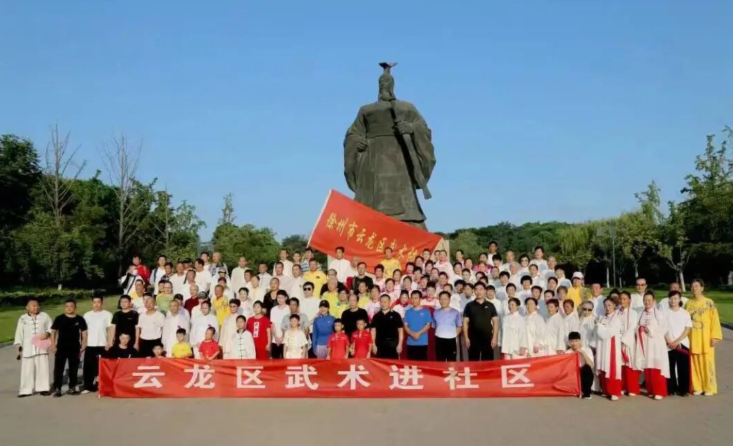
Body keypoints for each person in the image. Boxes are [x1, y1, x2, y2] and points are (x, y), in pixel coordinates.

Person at [685, 279, 722, 396]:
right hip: (693, 338)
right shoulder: (688, 304)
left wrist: (715, 336)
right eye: (692, 286)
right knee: (694, 363)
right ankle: (698, 387)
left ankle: (709, 387)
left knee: (707, 363)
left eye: (697, 286)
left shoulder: (709, 303)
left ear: (702, 288)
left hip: (706, 339)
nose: (694, 288)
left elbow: (714, 321)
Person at [14, 297, 53, 397]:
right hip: (27, 348)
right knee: (27, 370)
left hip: (41, 347)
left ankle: (43, 388)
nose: (36, 307)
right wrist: (18, 347)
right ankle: (25, 390)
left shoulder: (45, 316)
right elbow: (19, 334)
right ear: (27, 307)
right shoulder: (22, 318)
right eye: (33, 305)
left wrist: (47, 334)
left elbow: (51, 327)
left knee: (43, 368)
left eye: (37, 305)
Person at [635, 292, 670, 400]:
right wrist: (639, 329)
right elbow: (636, 326)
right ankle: (651, 390)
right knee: (648, 366)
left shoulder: (659, 313)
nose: (647, 302)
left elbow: (664, 328)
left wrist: (650, 329)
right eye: (645, 300)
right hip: (645, 343)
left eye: (649, 300)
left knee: (657, 366)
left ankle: (659, 391)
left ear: (654, 301)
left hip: (656, 344)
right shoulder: (640, 313)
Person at [51, 299, 88, 397]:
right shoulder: (59, 318)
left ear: (75, 307)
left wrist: (84, 344)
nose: (69, 308)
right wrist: (53, 345)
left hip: (75, 347)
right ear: (64, 307)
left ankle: (72, 387)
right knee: (59, 368)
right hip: (61, 347)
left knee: (74, 368)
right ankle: (58, 388)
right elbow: (53, 332)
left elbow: (84, 333)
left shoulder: (80, 319)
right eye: (67, 306)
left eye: (71, 306)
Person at [663, 290, 692, 396]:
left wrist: (677, 341)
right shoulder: (665, 313)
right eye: (671, 298)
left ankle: (683, 390)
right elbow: (663, 329)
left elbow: (687, 329)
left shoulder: (685, 313)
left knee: (683, 368)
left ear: (680, 299)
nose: (673, 301)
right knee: (669, 367)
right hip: (668, 344)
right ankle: (671, 388)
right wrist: (669, 341)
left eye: (675, 298)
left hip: (682, 344)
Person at [82, 295, 112, 393]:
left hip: (103, 344)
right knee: (88, 366)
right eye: (94, 302)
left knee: (103, 366)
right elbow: (84, 331)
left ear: (102, 303)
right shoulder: (87, 315)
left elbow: (111, 329)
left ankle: (102, 385)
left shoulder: (107, 314)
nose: (96, 304)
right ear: (92, 303)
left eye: (98, 302)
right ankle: (88, 386)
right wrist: (83, 343)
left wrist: (109, 342)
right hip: (90, 344)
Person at [462, 282, 499, 361]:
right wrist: (466, 337)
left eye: (481, 289)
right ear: (474, 291)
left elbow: (495, 322)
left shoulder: (490, 305)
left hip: (487, 338)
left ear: (485, 291)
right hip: (473, 338)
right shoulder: (469, 305)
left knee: (488, 362)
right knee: (473, 362)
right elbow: (465, 322)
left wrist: (495, 337)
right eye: (476, 290)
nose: (479, 292)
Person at [596, 298, 623, 401]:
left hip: (611, 346)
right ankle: (606, 390)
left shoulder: (616, 318)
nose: (607, 308)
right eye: (605, 306)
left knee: (611, 368)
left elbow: (608, 333)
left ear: (614, 306)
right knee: (603, 366)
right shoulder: (602, 317)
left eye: (609, 305)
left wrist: (599, 326)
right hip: (602, 345)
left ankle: (615, 391)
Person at [618, 291, 641, 397]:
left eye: (624, 299)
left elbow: (632, 327)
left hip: (628, 343)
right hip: (617, 342)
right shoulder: (617, 311)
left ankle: (632, 388)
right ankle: (621, 387)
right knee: (620, 366)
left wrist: (623, 340)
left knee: (629, 366)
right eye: (621, 299)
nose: (622, 301)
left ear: (629, 300)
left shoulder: (633, 313)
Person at [371, 294, 405, 359]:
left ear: (390, 302)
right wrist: (374, 344)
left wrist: (400, 344)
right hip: (379, 344)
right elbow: (373, 331)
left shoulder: (396, 315)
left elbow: (400, 330)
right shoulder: (376, 316)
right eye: (381, 302)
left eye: (385, 302)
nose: (383, 304)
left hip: (393, 344)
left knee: (393, 366)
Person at [433, 291, 462, 361]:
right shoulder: (435, 312)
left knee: (451, 361)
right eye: (441, 299)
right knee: (439, 361)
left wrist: (452, 335)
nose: (443, 301)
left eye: (445, 299)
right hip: (439, 340)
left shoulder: (455, 312)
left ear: (449, 300)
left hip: (451, 340)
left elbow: (459, 327)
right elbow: (434, 326)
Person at [403, 292, 432, 360]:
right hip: (411, 342)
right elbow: (405, 326)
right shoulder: (408, 312)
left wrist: (418, 333)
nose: (414, 300)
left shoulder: (426, 312)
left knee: (422, 364)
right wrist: (412, 334)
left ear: (420, 299)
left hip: (422, 342)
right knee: (411, 365)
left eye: (416, 298)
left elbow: (428, 325)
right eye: (412, 298)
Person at [567, 331, 595, 400]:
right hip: (573, 375)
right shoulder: (567, 352)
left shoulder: (587, 350)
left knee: (586, 368)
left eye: (576, 341)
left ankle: (587, 393)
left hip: (583, 375)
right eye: (572, 341)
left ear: (580, 341)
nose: (574, 343)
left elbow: (591, 365)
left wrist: (583, 353)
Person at [269, 291, 290, 359]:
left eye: (282, 297)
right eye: (278, 297)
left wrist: (282, 337)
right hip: (275, 340)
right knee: (275, 361)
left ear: (286, 298)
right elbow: (273, 324)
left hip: (286, 339)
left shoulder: (289, 309)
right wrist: (275, 337)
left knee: (285, 360)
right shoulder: (273, 309)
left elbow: (288, 325)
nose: (280, 299)